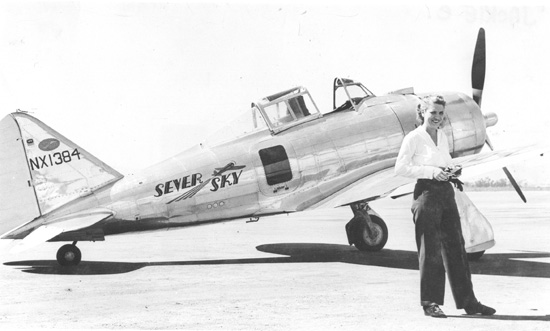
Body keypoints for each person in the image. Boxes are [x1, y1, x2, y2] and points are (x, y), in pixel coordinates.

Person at [394, 95, 496, 318]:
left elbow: (444, 162)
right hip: (426, 194)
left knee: (457, 249)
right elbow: (400, 168)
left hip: (445, 193)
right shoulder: (414, 137)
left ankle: (469, 302)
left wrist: (452, 169)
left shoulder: (442, 136)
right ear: (423, 112)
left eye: (441, 113)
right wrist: (431, 172)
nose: (437, 117)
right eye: (433, 113)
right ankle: (430, 303)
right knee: (430, 250)